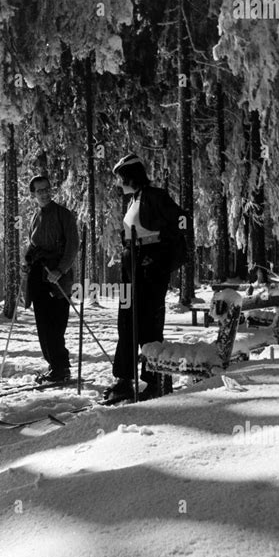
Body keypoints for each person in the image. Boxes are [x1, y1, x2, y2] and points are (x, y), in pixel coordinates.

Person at [103, 153, 187, 403]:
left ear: (130, 176)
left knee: (149, 324)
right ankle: (124, 380)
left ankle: (153, 381)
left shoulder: (155, 196)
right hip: (131, 266)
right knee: (127, 320)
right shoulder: (133, 201)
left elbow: (182, 221)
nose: (118, 183)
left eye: (120, 177)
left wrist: (162, 255)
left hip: (150, 266)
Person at [24, 175, 79, 383]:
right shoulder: (34, 217)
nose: (44, 193)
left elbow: (73, 245)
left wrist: (61, 270)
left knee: (56, 325)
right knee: (43, 325)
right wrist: (27, 263)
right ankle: (53, 366)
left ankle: (61, 368)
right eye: (39, 191)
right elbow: (32, 247)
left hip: (58, 279)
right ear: (33, 194)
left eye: (47, 189)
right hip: (39, 276)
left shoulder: (63, 214)